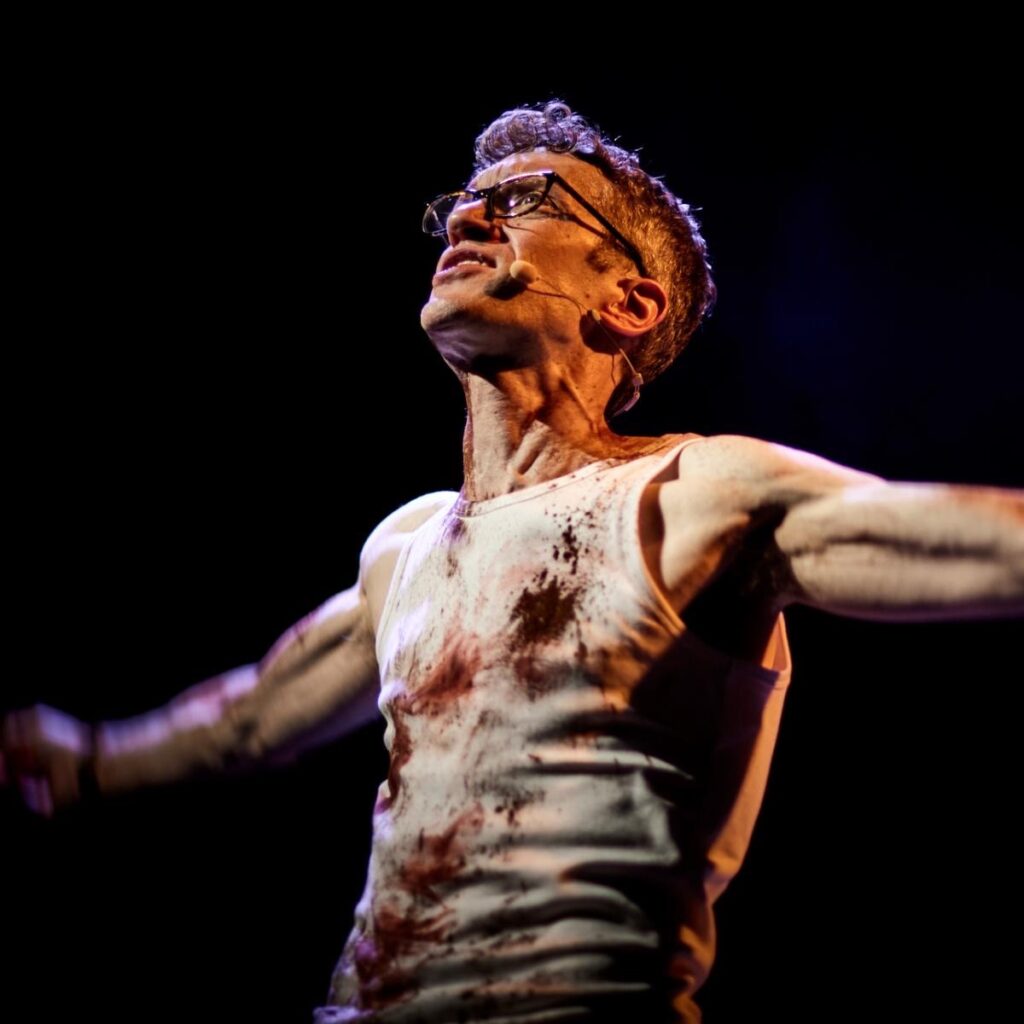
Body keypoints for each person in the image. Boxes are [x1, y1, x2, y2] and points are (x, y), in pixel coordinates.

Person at [3, 100, 1022, 1023]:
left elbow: (960, 539)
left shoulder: (697, 493)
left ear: (627, 304)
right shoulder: (406, 545)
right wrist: (86, 762)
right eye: (463, 202)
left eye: (525, 200)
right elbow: (254, 717)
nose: (463, 220)